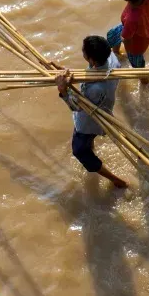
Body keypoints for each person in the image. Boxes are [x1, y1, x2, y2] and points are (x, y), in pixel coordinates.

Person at [56, 35, 130, 189]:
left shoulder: (95, 89)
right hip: (105, 106)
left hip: (89, 122)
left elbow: (77, 106)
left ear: (92, 60)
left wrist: (63, 90)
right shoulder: (111, 58)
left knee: (79, 151)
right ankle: (91, 146)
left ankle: (115, 180)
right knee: (88, 143)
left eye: (84, 51)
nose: (82, 51)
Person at [106, 0, 149, 68]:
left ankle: (142, 75)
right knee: (112, 34)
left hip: (135, 41)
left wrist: (129, 51)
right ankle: (116, 53)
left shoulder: (132, 18)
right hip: (143, 26)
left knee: (136, 62)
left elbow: (126, 39)